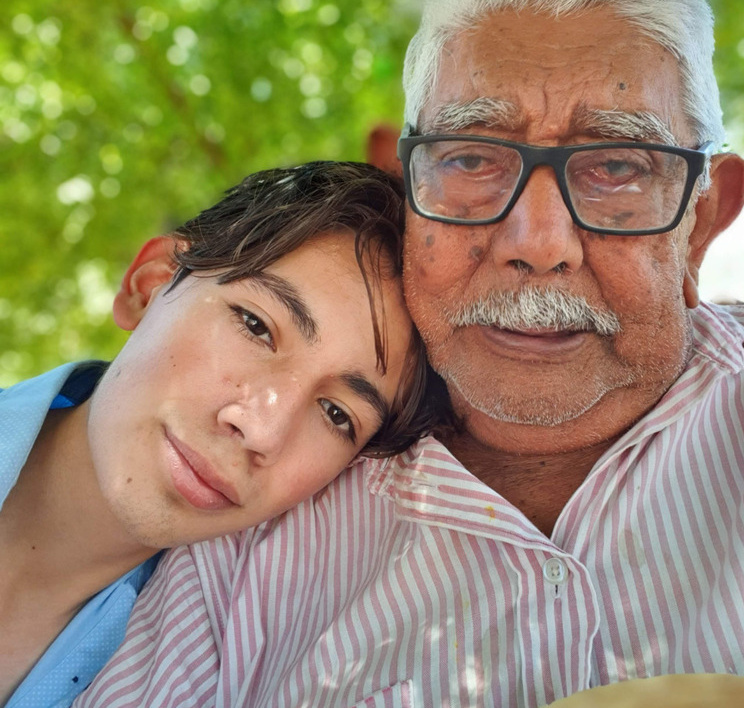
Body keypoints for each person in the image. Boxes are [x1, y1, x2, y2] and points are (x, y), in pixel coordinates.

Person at [75, 0, 744, 706]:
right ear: (405, 191)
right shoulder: (246, 522)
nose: (537, 242)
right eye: (471, 158)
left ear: (702, 221)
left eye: (618, 167)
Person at [0, 160, 433, 708]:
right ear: (150, 285)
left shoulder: (210, 673)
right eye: (256, 326)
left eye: (335, 414)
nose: (261, 429)